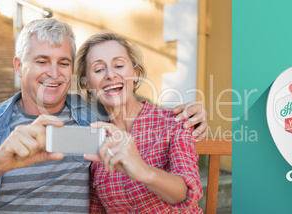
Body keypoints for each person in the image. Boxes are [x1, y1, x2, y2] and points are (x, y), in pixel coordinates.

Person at [0, 18, 207, 213]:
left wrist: (193, 115)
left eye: (63, 63)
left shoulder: (92, 119)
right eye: (42, 61)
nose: (54, 73)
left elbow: (187, 190)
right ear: (18, 66)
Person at [76, 32, 203, 213]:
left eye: (119, 65)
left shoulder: (173, 122)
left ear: (135, 74)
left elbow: (187, 194)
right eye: (98, 70)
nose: (110, 75)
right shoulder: (95, 140)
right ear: (88, 84)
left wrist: (142, 170)